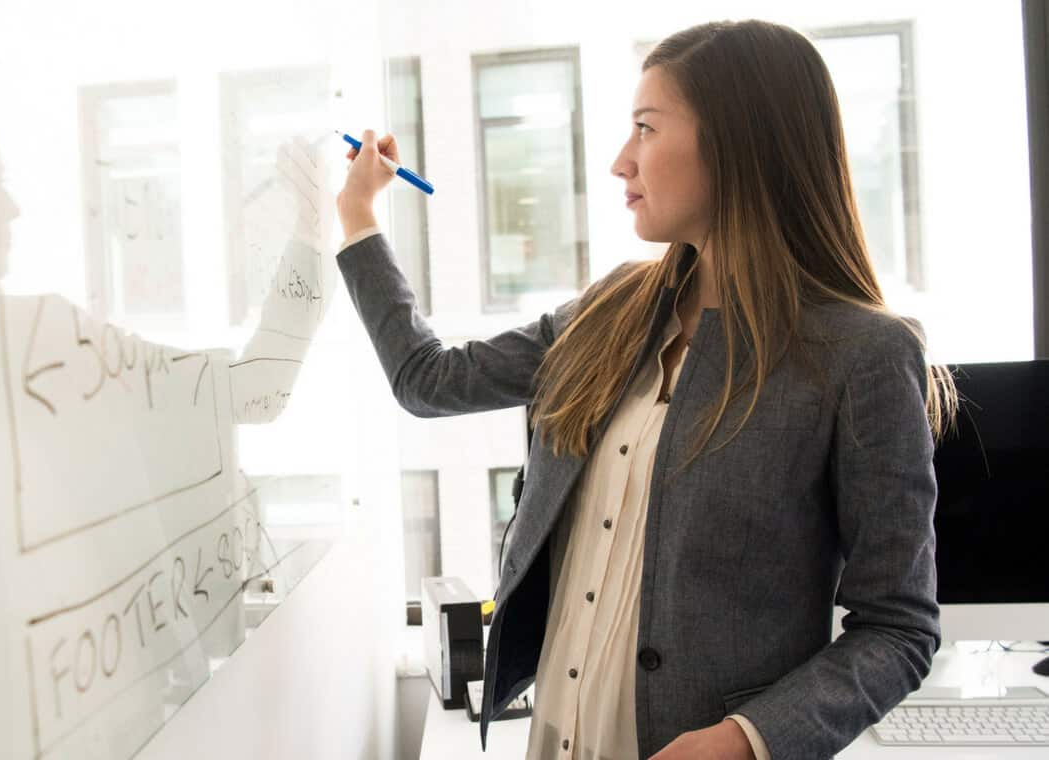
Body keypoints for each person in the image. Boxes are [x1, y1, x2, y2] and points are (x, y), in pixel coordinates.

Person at [334, 19, 957, 760]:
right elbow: (427, 380)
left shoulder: (862, 355)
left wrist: (745, 741)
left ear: (739, 143)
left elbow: (898, 627)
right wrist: (358, 217)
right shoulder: (608, 313)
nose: (620, 161)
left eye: (645, 128)